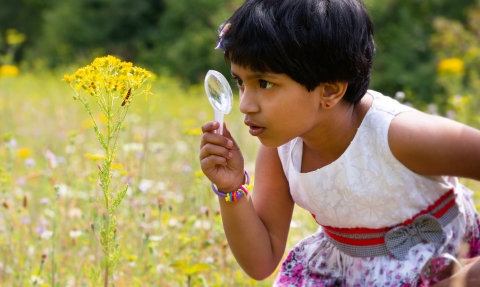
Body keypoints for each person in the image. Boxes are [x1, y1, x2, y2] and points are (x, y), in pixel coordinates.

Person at [198, 0, 480, 285]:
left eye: (265, 83)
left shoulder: (400, 135)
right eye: (240, 82)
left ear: (330, 90)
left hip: (447, 267)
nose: (245, 105)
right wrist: (231, 188)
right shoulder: (281, 151)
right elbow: (261, 262)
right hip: (350, 275)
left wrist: (470, 276)